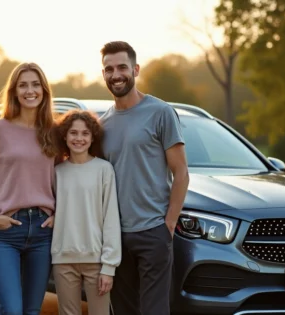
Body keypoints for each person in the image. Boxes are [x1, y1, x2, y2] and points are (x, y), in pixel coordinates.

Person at [99, 41, 190, 315]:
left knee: (154, 310)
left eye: (122, 67)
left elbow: (181, 172)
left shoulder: (160, 112)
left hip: (153, 231)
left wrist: (169, 224)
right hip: (115, 235)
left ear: (135, 69)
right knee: (124, 310)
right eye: (109, 69)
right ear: (103, 74)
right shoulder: (101, 125)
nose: (116, 74)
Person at [0, 62, 58, 315]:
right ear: (15, 92)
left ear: (44, 90)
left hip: (43, 233)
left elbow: (66, 179)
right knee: (11, 311)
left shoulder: (53, 132)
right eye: (23, 85)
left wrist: (58, 214)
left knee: (31, 311)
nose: (30, 90)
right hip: (5, 234)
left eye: (35, 84)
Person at [51, 110, 121, 315]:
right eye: (73, 133)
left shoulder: (104, 170)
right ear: (65, 136)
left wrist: (109, 267)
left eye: (85, 133)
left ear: (93, 137)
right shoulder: (57, 172)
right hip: (63, 260)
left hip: (97, 261)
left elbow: (111, 219)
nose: (79, 138)